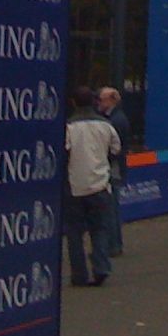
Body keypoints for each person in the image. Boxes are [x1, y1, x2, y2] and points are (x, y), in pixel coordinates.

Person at [65, 85, 121, 288]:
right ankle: (101, 268)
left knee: (74, 233)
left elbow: (64, 152)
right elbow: (116, 149)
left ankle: (79, 274)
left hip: (75, 186)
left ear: (73, 102)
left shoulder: (69, 127)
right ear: (93, 102)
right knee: (100, 229)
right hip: (100, 184)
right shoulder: (106, 125)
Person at [97, 85, 130, 256]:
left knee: (111, 208)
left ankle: (114, 245)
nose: (99, 103)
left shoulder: (116, 121)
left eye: (101, 99)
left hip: (113, 169)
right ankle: (114, 244)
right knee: (112, 208)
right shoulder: (112, 118)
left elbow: (116, 148)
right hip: (114, 168)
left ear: (111, 100)